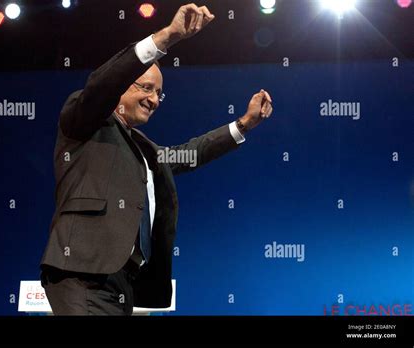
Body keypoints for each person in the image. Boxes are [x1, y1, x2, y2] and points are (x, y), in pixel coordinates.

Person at [40, 3, 273, 315]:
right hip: (83, 273)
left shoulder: (144, 149)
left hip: (123, 283)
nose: (153, 99)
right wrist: (166, 38)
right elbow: (103, 84)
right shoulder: (85, 120)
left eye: (158, 93)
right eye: (146, 87)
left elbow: (191, 153)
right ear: (122, 87)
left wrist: (243, 124)